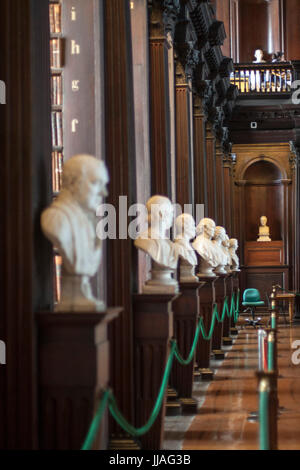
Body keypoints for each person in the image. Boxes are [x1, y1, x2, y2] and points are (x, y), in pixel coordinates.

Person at [41, 154, 109, 311]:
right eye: (96, 183)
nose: (103, 193)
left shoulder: (90, 222)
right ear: (73, 183)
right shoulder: (56, 219)